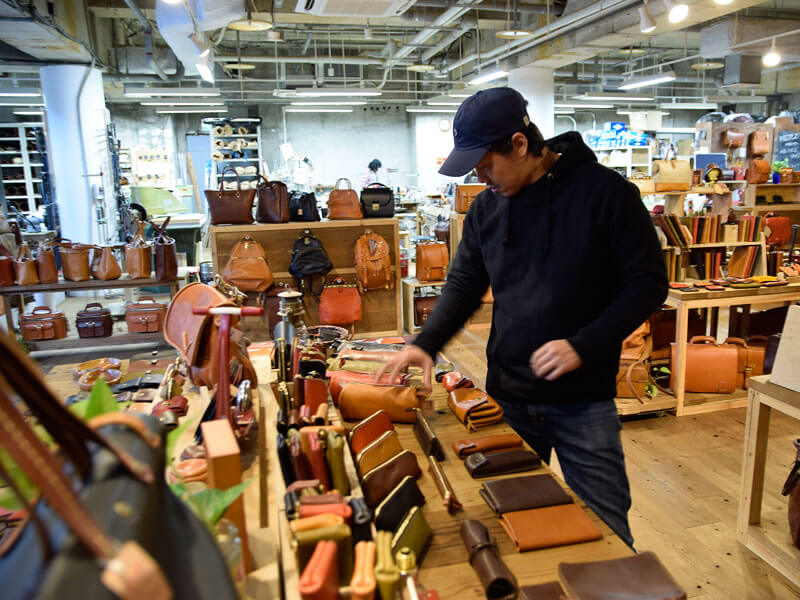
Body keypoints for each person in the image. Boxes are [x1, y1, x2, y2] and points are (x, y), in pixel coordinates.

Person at [378, 87, 667, 548]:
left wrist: (583, 344)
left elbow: (648, 285)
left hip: (582, 403)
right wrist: (424, 342)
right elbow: (464, 285)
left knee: (607, 532)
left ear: (519, 144)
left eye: (486, 164)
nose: (480, 176)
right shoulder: (488, 208)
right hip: (507, 397)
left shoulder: (607, 194)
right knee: (512, 523)